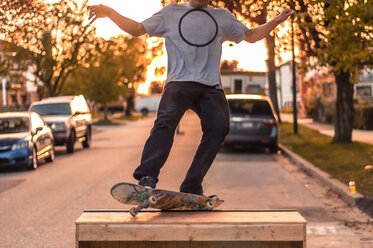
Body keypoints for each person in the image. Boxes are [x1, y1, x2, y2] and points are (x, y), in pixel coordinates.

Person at [89, 0, 295, 195]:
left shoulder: (222, 16)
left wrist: (277, 20)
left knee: (220, 126)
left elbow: (251, 36)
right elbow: (137, 30)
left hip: (210, 87)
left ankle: (192, 184)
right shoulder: (170, 13)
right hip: (178, 83)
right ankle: (147, 178)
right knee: (165, 121)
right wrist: (109, 12)